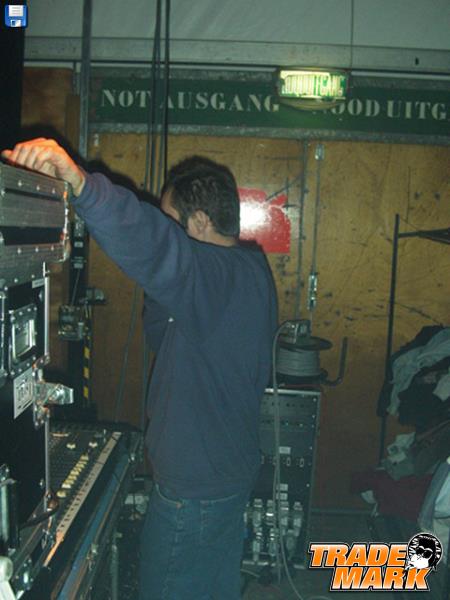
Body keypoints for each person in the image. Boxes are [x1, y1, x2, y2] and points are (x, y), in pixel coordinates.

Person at [2, 138, 278, 599]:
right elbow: (160, 334)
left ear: (200, 222)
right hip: (223, 476)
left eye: (172, 221)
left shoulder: (214, 276)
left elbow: (159, 247)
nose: (167, 229)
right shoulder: (247, 270)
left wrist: (83, 186)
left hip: (193, 493)